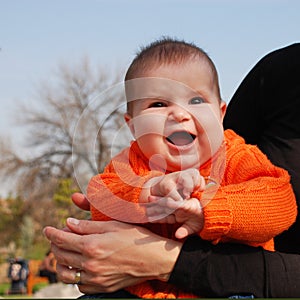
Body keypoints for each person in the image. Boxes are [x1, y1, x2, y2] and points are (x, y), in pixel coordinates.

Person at [44, 42, 300, 297]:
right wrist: (147, 192)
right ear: (132, 125)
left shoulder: (236, 156)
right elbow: (101, 196)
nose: (179, 113)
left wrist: (207, 209)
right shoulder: (130, 162)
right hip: (139, 291)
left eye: (197, 100)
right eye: (157, 104)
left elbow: (280, 202)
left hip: (229, 289)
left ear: (220, 114)